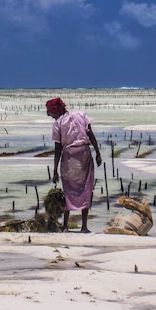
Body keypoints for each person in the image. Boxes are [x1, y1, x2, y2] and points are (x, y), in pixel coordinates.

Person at [47, 97, 102, 233]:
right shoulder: (81, 115)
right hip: (84, 153)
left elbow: (58, 148)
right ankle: (84, 227)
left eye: (51, 113)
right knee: (86, 188)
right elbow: (90, 134)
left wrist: (55, 170)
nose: (50, 116)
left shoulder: (58, 124)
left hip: (69, 156)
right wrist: (98, 153)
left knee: (69, 190)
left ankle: (65, 226)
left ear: (56, 111)